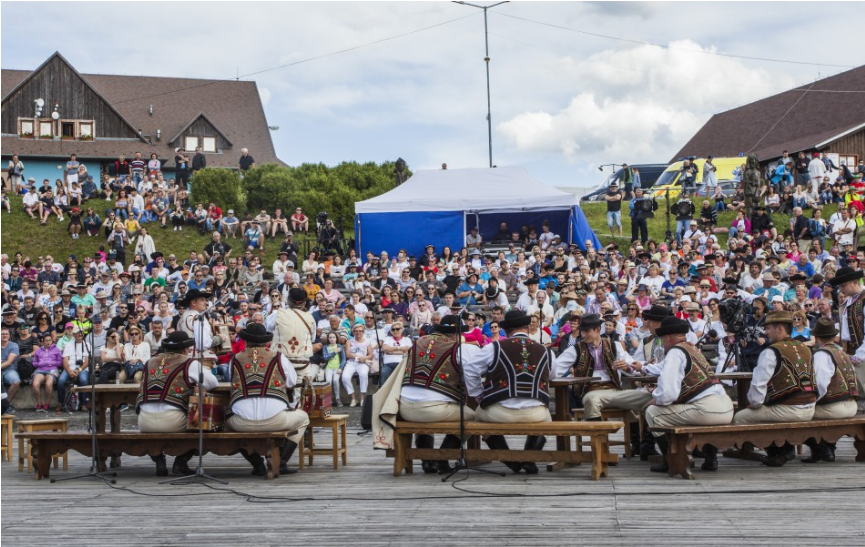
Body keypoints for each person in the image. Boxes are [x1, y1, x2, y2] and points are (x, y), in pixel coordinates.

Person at [463, 309, 553, 474]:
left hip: (500, 412)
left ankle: (509, 459)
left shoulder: (494, 347)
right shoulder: (544, 350)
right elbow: (554, 375)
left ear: (507, 330)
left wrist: (478, 394)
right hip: (535, 413)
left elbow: (469, 368)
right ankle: (529, 458)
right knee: (547, 418)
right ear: (527, 327)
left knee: (478, 415)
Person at [555, 313, 654, 457]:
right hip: (591, 392)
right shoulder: (575, 350)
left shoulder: (615, 346)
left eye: (587, 331)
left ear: (597, 330)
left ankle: (643, 445)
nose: (583, 334)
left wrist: (626, 367)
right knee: (592, 399)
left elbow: (632, 366)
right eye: (582, 331)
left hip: (615, 392)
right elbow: (555, 369)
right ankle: (600, 449)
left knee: (649, 397)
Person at [643, 316, 734, 473]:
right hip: (727, 407)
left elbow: (668, 394)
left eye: (662, 338)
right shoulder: (691, 348)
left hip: (707, 411)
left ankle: (671, 460)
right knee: (685, 407)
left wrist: (655, 398)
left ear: (667, 337)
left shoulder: (674, 353)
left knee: (653, 413)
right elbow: (664, 369)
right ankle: (710, 458)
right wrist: (644, 368)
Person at [732, 311, 815, 467]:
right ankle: (784, 447)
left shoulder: (771, 352)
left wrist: (755, 405)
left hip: (789, 410)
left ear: (780, 329)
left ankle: (778, 450)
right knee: (767, 410)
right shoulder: (804, 348)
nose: (766, 332)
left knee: (741, 417)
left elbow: (758, 385)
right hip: (810, 409)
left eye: (768, 328)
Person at [225, 323, 310, 476]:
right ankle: (281, 461)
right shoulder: (278, 357)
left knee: (224, 424)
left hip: (242, 423)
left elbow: (231, 380)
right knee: (303, 418)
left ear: (245, 341)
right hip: (275, 419)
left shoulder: (235, 359)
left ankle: (257, 463)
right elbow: (291, 382)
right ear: (266, 342)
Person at [401, 315, 477, 474]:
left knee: (425, 415)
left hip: (404, 408)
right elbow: (472, 376)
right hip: (432, 409)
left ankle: (427, 461)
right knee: (473, 417)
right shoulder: (458, 349)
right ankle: (442, 457)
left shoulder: (417, 343)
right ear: (456, 335)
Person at [137, 331, 218, 476]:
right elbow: (213, 382)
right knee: (201, 422)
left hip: (144, 422)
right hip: (172, 420)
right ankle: (180, 463)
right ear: (185, 349)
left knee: (153, 424)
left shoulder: (150, 362)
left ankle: (159, 460)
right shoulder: (189, 363)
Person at [802, 318, 860, 463]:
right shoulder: (842, 353)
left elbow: (820, 385)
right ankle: (828, 448)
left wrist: (810, 403)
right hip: (852, 406)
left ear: (817, 337)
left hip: (835, 408)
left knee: (799, 413)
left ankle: (821, 448)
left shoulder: (821, 355)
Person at [269, 287, 319, 392]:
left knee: (279, 389)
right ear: (304, 303)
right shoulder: (310, 318)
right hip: (302, 360)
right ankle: (297, 406)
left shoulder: (278, 314)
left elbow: (268, 328)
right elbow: (312, 338)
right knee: (299, 392)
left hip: (281, 360)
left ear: (288, 301)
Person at [829, 266, 865, 412]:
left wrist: (859, 356)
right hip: (849, 352)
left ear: (855, 282)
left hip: (861, 353)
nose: (841, 289)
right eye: (839, 286)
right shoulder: (847, 303)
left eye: (843, 285)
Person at [57, 325, 91, 412]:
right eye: (78, 333)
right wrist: (69, 371)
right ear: (74, 334)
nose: (80, 334)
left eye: (81, 333)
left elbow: (87, 362)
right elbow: (65, 361)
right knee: (61, 381)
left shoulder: (87, 345)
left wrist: (78, 370)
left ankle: (84, 403)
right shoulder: (68, 345)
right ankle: (61, 402)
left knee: (84, 380)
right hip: (70, 368)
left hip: (81, 368)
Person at [343, 323, 373, 408]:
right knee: (345, 377)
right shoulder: (349, 341)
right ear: (353, 332)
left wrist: (364, 358)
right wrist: (358, 356)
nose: (358, 333)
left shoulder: (367, 342)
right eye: (356, 331)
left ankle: (362, 398)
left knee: (363, 375)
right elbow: (348, 354)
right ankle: (353, 398)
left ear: (363, 332)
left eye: (360, 331)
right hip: (351, 362)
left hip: (362, 363)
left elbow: (371, 355)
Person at [31, 333, 63, 411]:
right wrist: (39, 363)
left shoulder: (56, 349)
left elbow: (60, 362)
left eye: (49, 340)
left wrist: (51, 362)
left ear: (52, 341)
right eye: (46, 340)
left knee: (49, 384)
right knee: (35, 384)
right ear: (43, 341)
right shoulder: (39, 350)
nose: (48, 342)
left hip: (52, 369)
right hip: (40, 369)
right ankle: (39, 403)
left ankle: (47, 403)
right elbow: (34, 363)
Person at [381, 320, 412, 385]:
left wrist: (392, 352)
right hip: (388, 364)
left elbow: (408, 350)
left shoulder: (407, 340)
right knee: (384, 372)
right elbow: (385, 349)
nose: (395, 331)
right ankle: (383, 393)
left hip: (402, 364)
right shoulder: (388, 339)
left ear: (402, 330)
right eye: (393, 329)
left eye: (397, 329)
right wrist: (401, 349)